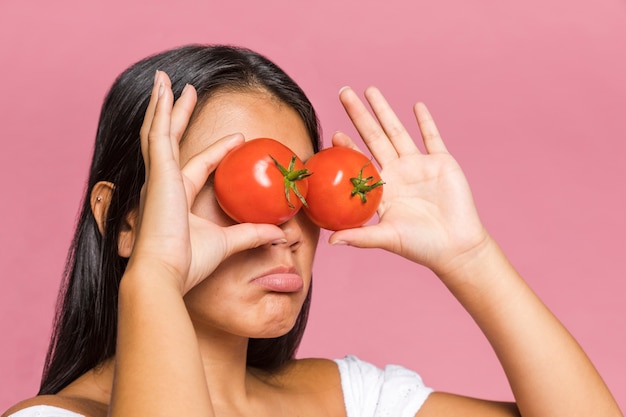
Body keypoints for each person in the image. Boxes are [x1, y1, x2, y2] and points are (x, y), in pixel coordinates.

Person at [2, 44, 622, 417]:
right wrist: (154, 277)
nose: (284, 229)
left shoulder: (349, 398)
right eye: (233, 186)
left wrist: (472, 257)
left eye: (302, 187)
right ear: (124, 219)